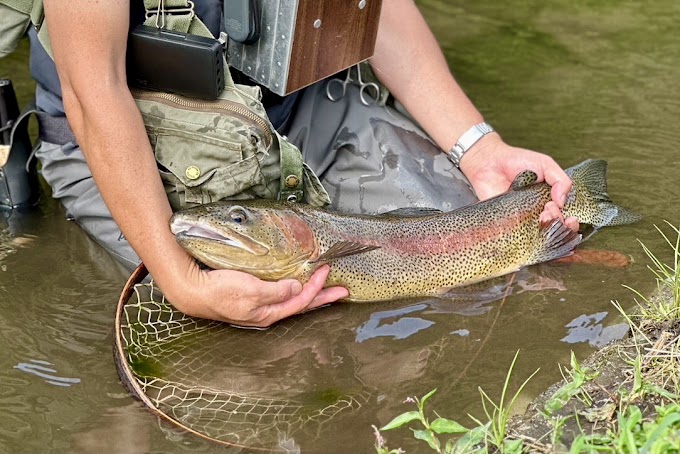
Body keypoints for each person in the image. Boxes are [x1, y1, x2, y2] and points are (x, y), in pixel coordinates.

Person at [34, 0, 578, 328]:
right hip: (138, 142)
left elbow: (371, 12)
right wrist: (182, 283)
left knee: (492, 239)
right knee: (257, 342)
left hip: (298, 106)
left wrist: (480, 149)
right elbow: (93, 94)